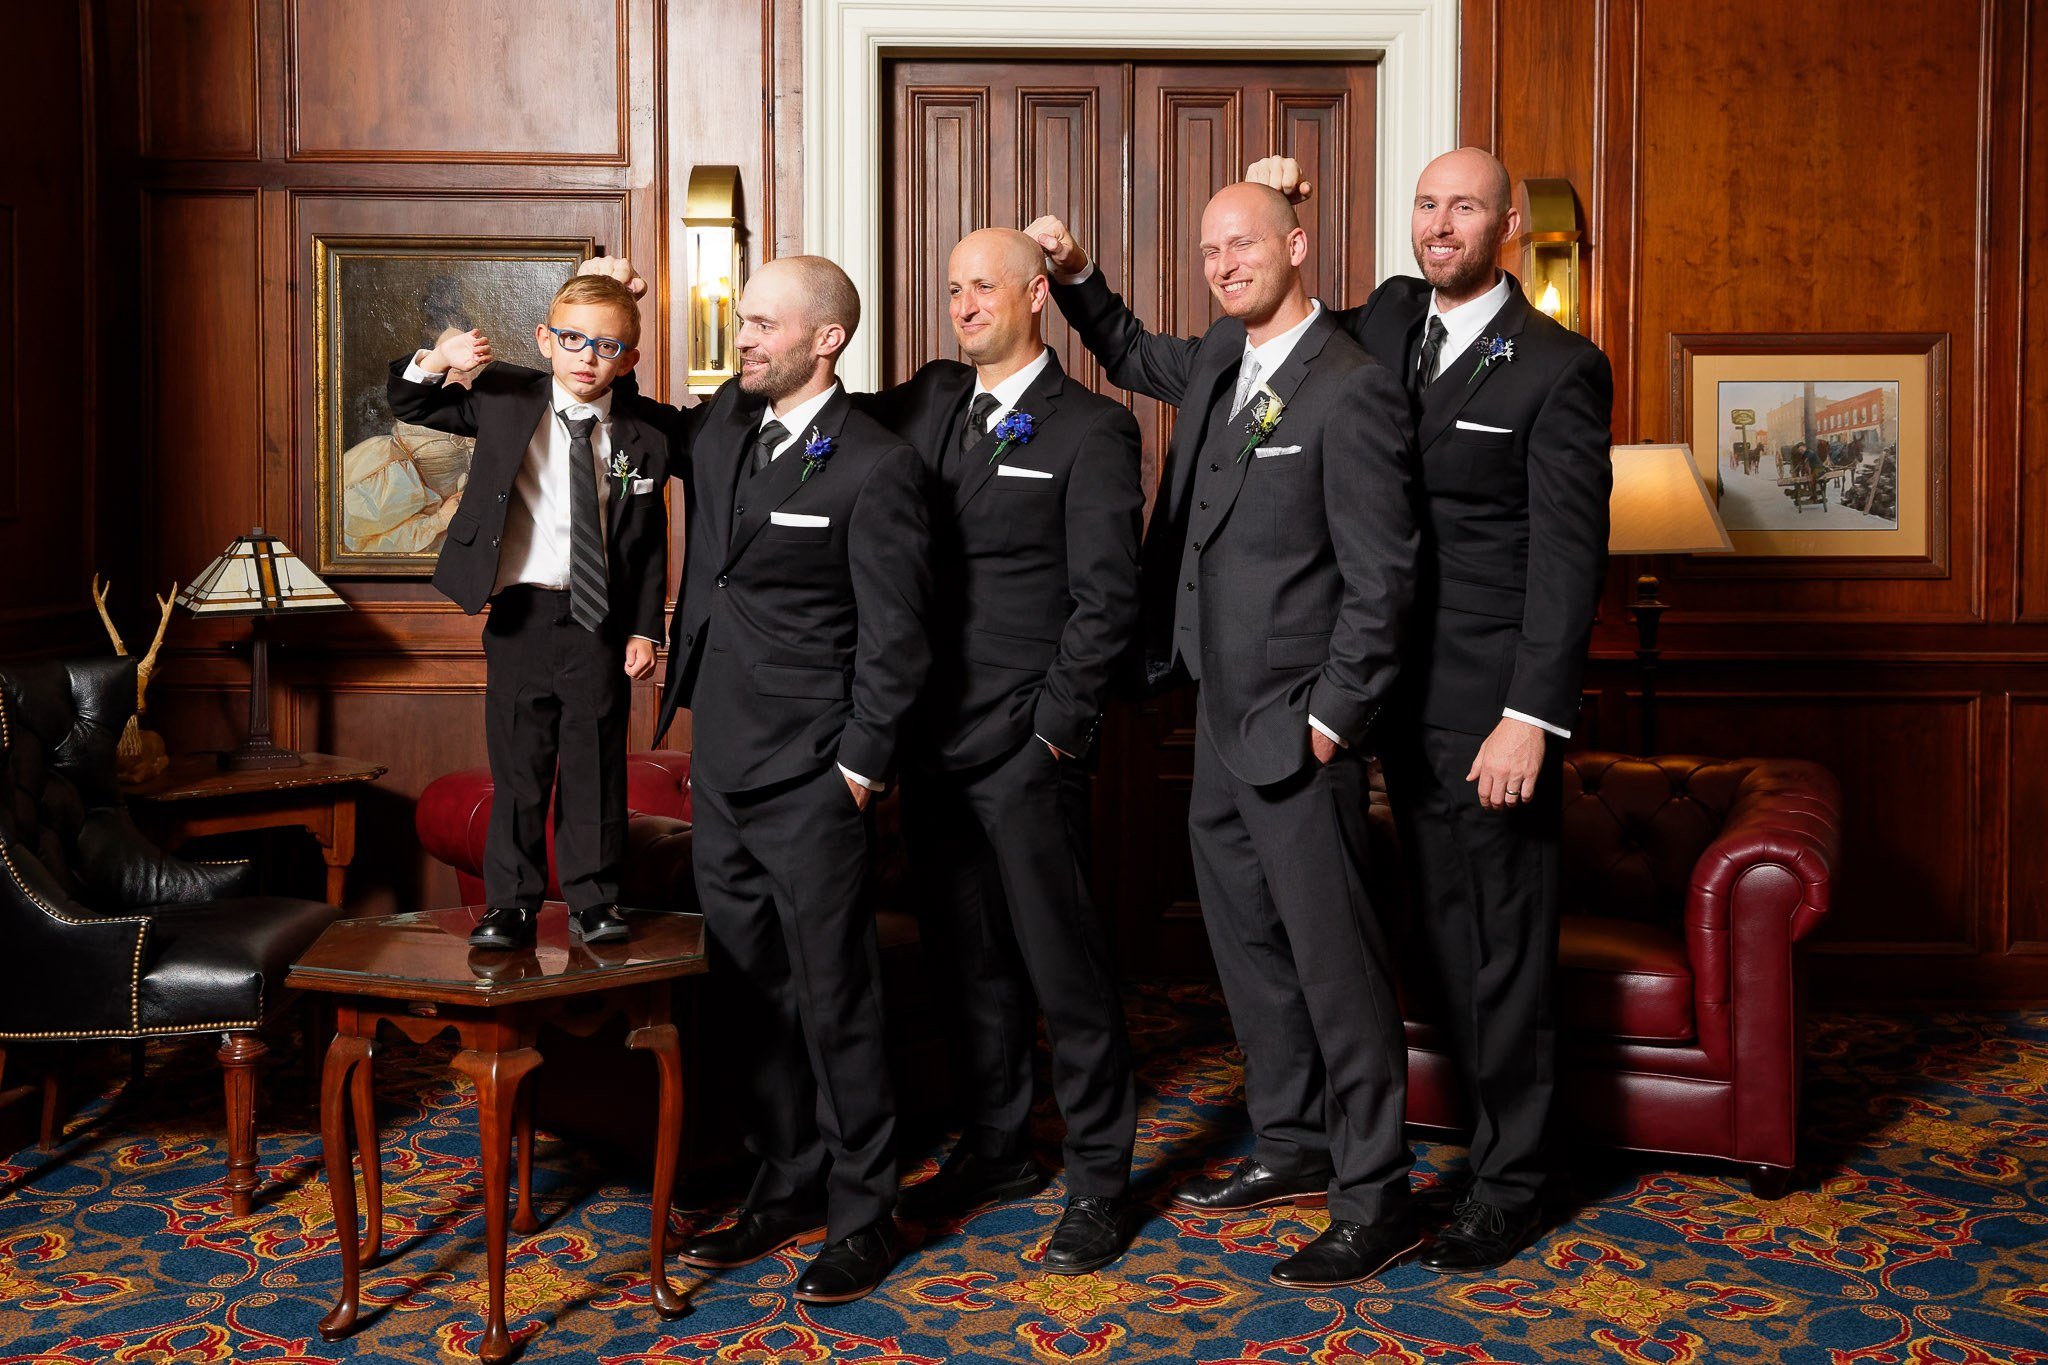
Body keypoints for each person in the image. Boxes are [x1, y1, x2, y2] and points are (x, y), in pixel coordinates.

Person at [1026, 184, 1422, 1288]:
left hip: (1299, 730)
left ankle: (1376, 1196)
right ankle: (1293, 1143)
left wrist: (1332, 722)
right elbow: (1126, 349)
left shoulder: (1352, 385)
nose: (1223, 263)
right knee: (1248, 947)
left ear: (1297, 243)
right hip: (1211, 716)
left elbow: (1384, 581)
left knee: (1339, 968)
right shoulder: (1214, 358)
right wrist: (1073, 275)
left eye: (1242, 243)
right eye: (1209, 250)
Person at [1249, 148, 1615, 1271]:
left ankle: (1511, 1183)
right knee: (1437, 936)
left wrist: (1530, 716)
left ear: (1506, 228)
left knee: (1501, 947)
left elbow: (1566, 561)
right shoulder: (1392, 318)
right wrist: (1282, 209)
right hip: (1384, 695)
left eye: (1463, 207)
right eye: (1424, 204)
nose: (1439, 223)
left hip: (1485, 705)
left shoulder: (1558, 366)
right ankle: (1464, 1150)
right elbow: (1291, 324)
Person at [638, 256, 932, 1306]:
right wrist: (607, 303)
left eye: (764, 323)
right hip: (719, 767)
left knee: (835, 997)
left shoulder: (877, 467)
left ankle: (864, 1211)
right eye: (744, 320)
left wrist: (857, 771)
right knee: (751, 992)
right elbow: (623, 415)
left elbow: (898, 640)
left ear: (826, 339)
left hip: (814, 778)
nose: (743, 337)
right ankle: (784, 1178)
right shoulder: (725, 425)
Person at [856, 228, 1145, 1273]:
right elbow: (813, 409)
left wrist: (1053, 733)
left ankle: (1102, 1181)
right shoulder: (933, 401)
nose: (964, 304)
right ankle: (998, 1146)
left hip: (1027, 745)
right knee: (967, 959)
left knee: (1064, 968)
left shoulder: (1094, 428)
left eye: (983, 286)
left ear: (1035, 296)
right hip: (933, 739)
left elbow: (1106, 601)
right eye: (953, 289)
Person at [388, 274, 669, 950]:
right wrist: (439, 358)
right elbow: (410, 402)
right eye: (571, 339)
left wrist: (643, 627)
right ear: (545, 340)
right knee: (520, 765)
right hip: (520, 613)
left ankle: (594, 900)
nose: (586, 357)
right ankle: (510, 905)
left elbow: (646, 539)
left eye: (606, 346)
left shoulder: (642, 436)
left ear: (628, 359)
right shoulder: (505, 397)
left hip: (599, 618)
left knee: (595, 763)